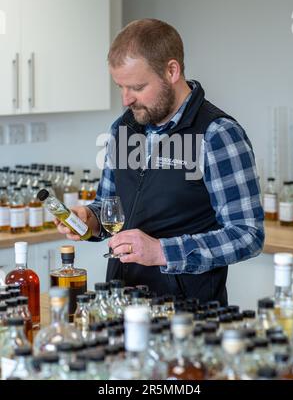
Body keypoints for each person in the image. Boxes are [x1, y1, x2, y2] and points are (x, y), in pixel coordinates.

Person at [55, 18, 264, 304]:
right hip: (120, 305)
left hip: (189, 318)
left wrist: (162, 251)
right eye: (120, 87)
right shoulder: (123, 128)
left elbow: (247, 235)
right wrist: (89, 220)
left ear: (171, 70)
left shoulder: (218, 134)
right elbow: (108, 208)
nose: (126, 100)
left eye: (137, 87)